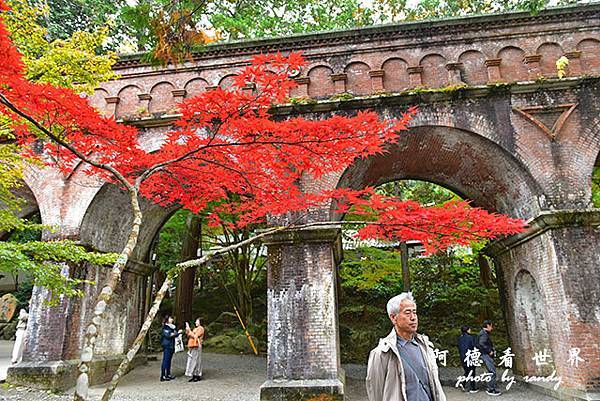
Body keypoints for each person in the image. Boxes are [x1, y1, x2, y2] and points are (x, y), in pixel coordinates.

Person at [366, 292, 446, 401]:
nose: (413, 317)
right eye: (407, 313)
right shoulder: (382, 353)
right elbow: (376, 394)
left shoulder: (425, 347)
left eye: (414, 312)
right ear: (393, 318)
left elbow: (435, 386)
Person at [477, 320, 501, 396]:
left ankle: (491, 387)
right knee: (492, 371)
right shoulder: (484, 334)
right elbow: (481, 343)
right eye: (491, 326)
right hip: (485, 354)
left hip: (484, 354)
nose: (492, 328)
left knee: (491, 371)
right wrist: (489, 351)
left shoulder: (483, 333)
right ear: (487, 326)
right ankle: (491, 389)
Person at [160, 315, 182, 382]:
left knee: (169, 360)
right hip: (167, 345)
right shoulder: (165, 327)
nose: (172, 319)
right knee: (165, 360)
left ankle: (168, 374)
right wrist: (177, 333)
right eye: (170, 318)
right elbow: (168, 335)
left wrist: (176, 333)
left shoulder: (172, 327)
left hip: (172, 345)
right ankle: (163, 375)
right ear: (167, 319)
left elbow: (173, 334)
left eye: (172, 318)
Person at [457, 325, 478, 393]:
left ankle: (463, 383)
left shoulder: (460, 338)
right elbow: (473, 347)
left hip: (462, 357)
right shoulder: (471, 338)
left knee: (467, 371)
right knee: (472, 371)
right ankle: (472, 388)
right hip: (470, 357)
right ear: (467, 330)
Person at [185, 317, 205, 382]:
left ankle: (197, 375)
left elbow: (195, 336)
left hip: (197, 345)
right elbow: (190, 335)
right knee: (192, 359)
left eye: (197, 321)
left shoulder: (201, 328)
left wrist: (189, 330)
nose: (195, 322)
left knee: (197, 360)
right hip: (192, 345)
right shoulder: (195, 328)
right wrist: (188, 331)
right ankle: (193, 374)